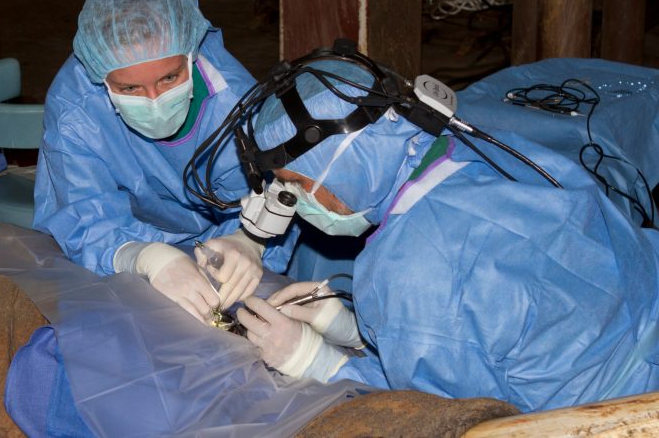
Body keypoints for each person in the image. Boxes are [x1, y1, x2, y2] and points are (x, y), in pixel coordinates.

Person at [234, 53, 659, 413]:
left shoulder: (409, 272)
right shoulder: (471, 145)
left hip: (607, 413)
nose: (292, 199)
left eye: (294, 183)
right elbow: (497, 320)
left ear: (344, 166)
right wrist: (356, 331)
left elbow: (447, 414)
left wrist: (316, 360)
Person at [33, 0, 296, 324]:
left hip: (218, 241)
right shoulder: (77, 110)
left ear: (191, 54)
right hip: (119, 234)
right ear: (100, 77)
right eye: (129, 89)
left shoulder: (232, 103)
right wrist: (143, 258)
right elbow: (83, 219)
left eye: (170, 77)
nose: (154, 101)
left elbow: (277, 191)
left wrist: (250, 242)